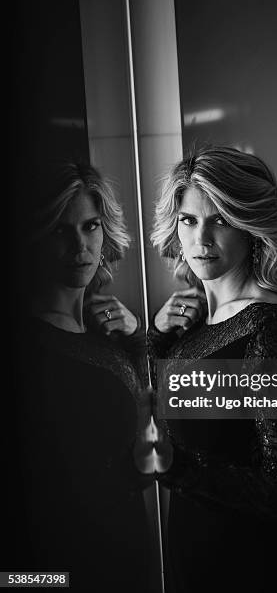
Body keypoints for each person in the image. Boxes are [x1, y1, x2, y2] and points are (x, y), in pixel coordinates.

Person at [148, 146, 277, 592]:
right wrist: (159, 338)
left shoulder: (272, 329)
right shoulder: (192, 328)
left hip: (256, 573)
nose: (201, 240)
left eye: (220, 219)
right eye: (189, 220)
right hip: (195, 570)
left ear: (250, 225)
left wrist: (178, 467)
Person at [10, 162, 153, 592]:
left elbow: (146, 457)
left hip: (126, 563)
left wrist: (135, 342)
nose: (79, 246)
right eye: (60, 230)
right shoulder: (25, 345)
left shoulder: (105, 337)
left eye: (90, 227)